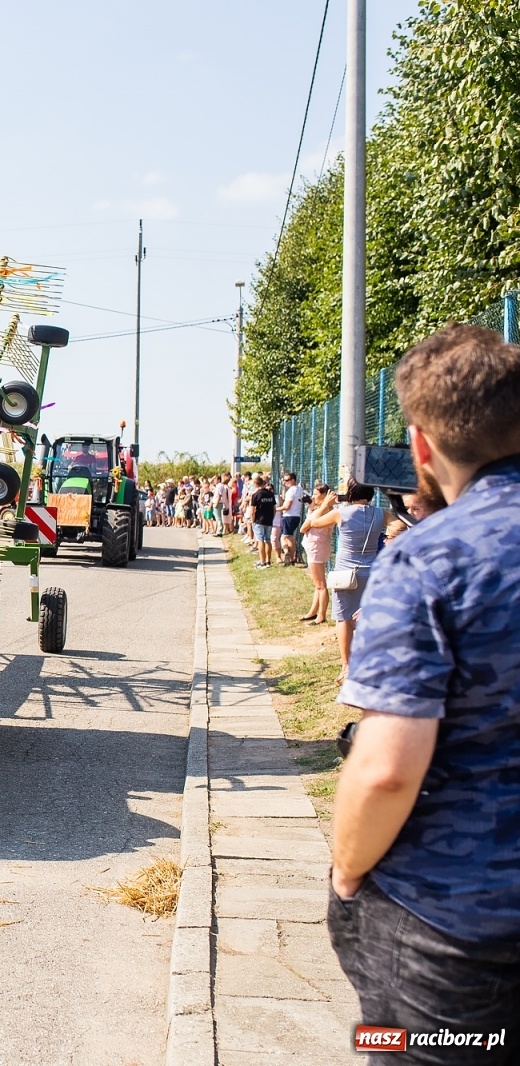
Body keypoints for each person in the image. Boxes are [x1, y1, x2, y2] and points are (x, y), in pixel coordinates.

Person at [328, 323, 520, 1048]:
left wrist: (348, 873)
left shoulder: (430, 562)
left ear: (420, 447)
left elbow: (385, 771)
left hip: (455, 926)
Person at [308, 478, 385, 679]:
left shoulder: (340, 513)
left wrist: (325, 504)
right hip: (372, 570)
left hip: (345, 573)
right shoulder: (380, 513)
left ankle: (347, 666)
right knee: (369, 618)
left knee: (343, 618)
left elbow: (313, 522)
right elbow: (401, 525)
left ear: (350, 492)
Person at [297, 482, 334, 625]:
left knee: (321, 585)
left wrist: (323, 506)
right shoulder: (320, 509)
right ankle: (313, 611)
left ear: (324, 496)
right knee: (317, 584)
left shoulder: (326, 510)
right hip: (315, 546)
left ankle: (321, 615)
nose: (313, 496)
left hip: (317, 547)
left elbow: (304, 527)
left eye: (316, 494)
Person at [249, 474, 277, 567]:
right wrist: (272, 518)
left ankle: (262, 561)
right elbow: (274, 508)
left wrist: (253, 521)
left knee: (260, 540)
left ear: (255, 484)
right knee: (268, 540)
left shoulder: (256, 495)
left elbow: (252, 510)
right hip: (269, 519)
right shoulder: (270, 494)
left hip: (259, 520)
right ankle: (268, 560)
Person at [278, 471, 305, 565]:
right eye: (284, 480)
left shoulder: (291, 491)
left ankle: (288, 555)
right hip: (296, 516)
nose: (285, 482)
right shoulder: (300, 489)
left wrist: (275, 509)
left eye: (287, 480)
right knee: (289, 537)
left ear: (293, 480)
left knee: (286, 537)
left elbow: (287, 506)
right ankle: (292, 557)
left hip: (289, 516)